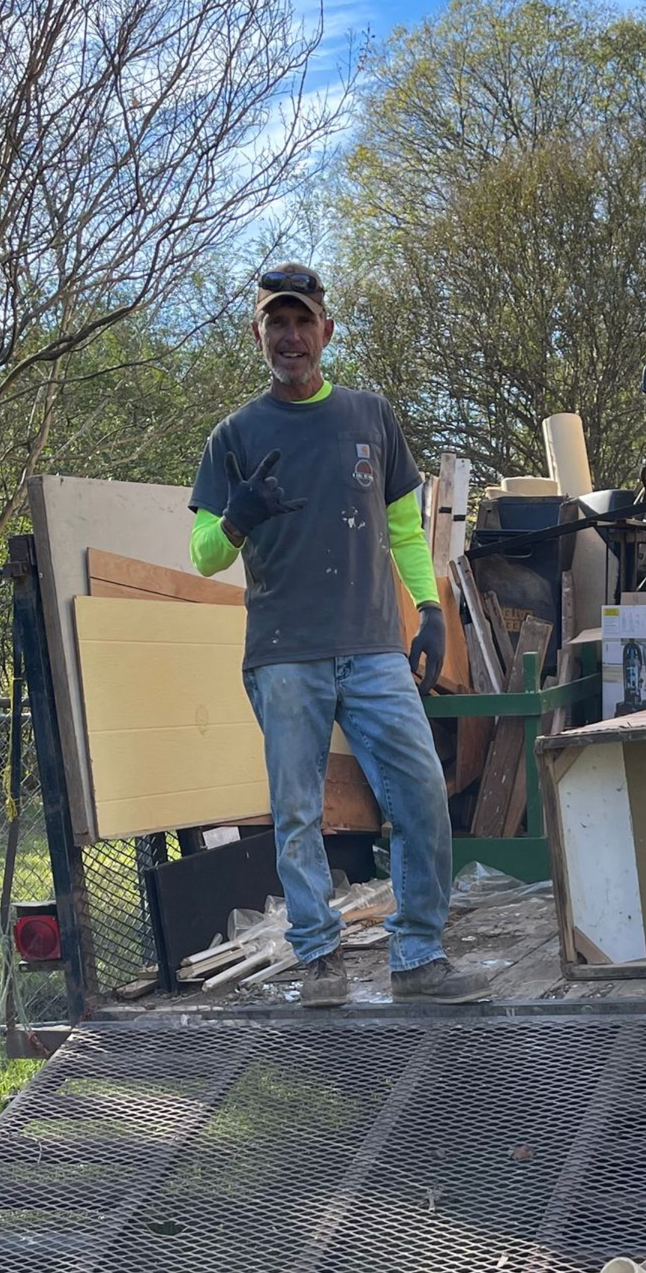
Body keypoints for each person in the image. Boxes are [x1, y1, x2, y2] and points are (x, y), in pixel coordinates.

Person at [188, 264, 490, 1008]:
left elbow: (404, 531)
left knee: (419, 793)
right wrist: (237, 518)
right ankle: (320, 960)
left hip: (373, 647)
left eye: (302, 322)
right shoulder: (234, 436)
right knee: (297, 812)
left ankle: (418, 956)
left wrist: (427, 610)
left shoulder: (370, 418)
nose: (290, 337)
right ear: (257, 333)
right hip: (284, 655)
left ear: (326, 330)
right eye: (275, 324)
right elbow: (203, 555)